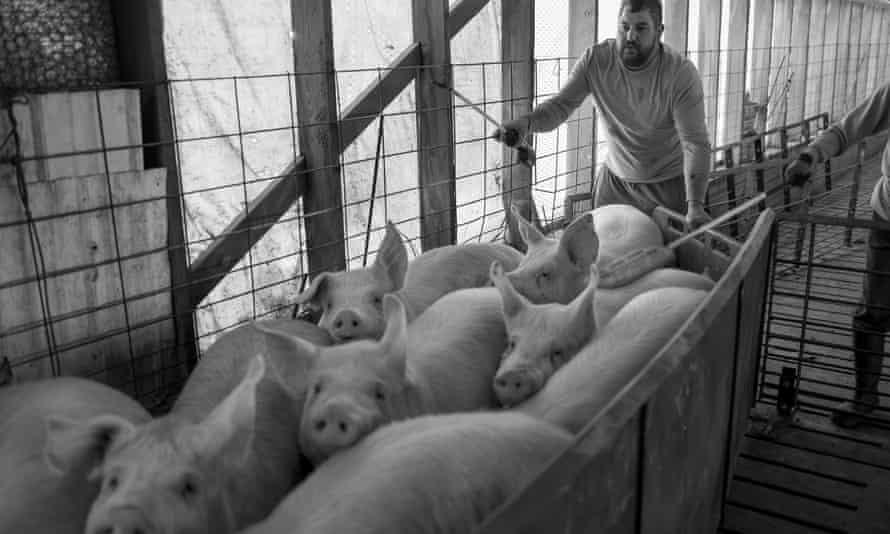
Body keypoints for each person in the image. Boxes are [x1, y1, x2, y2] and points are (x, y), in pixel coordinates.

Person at [493, 0, 712, 229]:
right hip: (615, 184)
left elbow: (695, 143)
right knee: (601, 257)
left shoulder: (680, 74)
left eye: (641, 28)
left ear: (659, 31)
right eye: (624, 26)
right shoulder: (596, 61)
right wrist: (525, 124)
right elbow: (560, 106)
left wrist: (695, 204)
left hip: (667, 187)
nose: (630, 36)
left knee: (665, 259)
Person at [784, 81, 890, 428]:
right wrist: (809, 155)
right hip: (888, 218)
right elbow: (849, 128)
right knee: (872, 310)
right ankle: (865, 398)